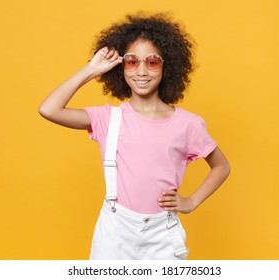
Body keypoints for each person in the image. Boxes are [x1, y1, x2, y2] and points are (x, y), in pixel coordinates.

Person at [39, 12, 230, 260]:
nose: (141, 71)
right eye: (131, 61)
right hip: (115, 232)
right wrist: (91, 69)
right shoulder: (107, 119)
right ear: (121, 67)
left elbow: (221, 167)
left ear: (167, 65)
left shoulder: (188, 124)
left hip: (164, 233)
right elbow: (48, 109)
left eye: (152, 62)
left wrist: (191, 202)